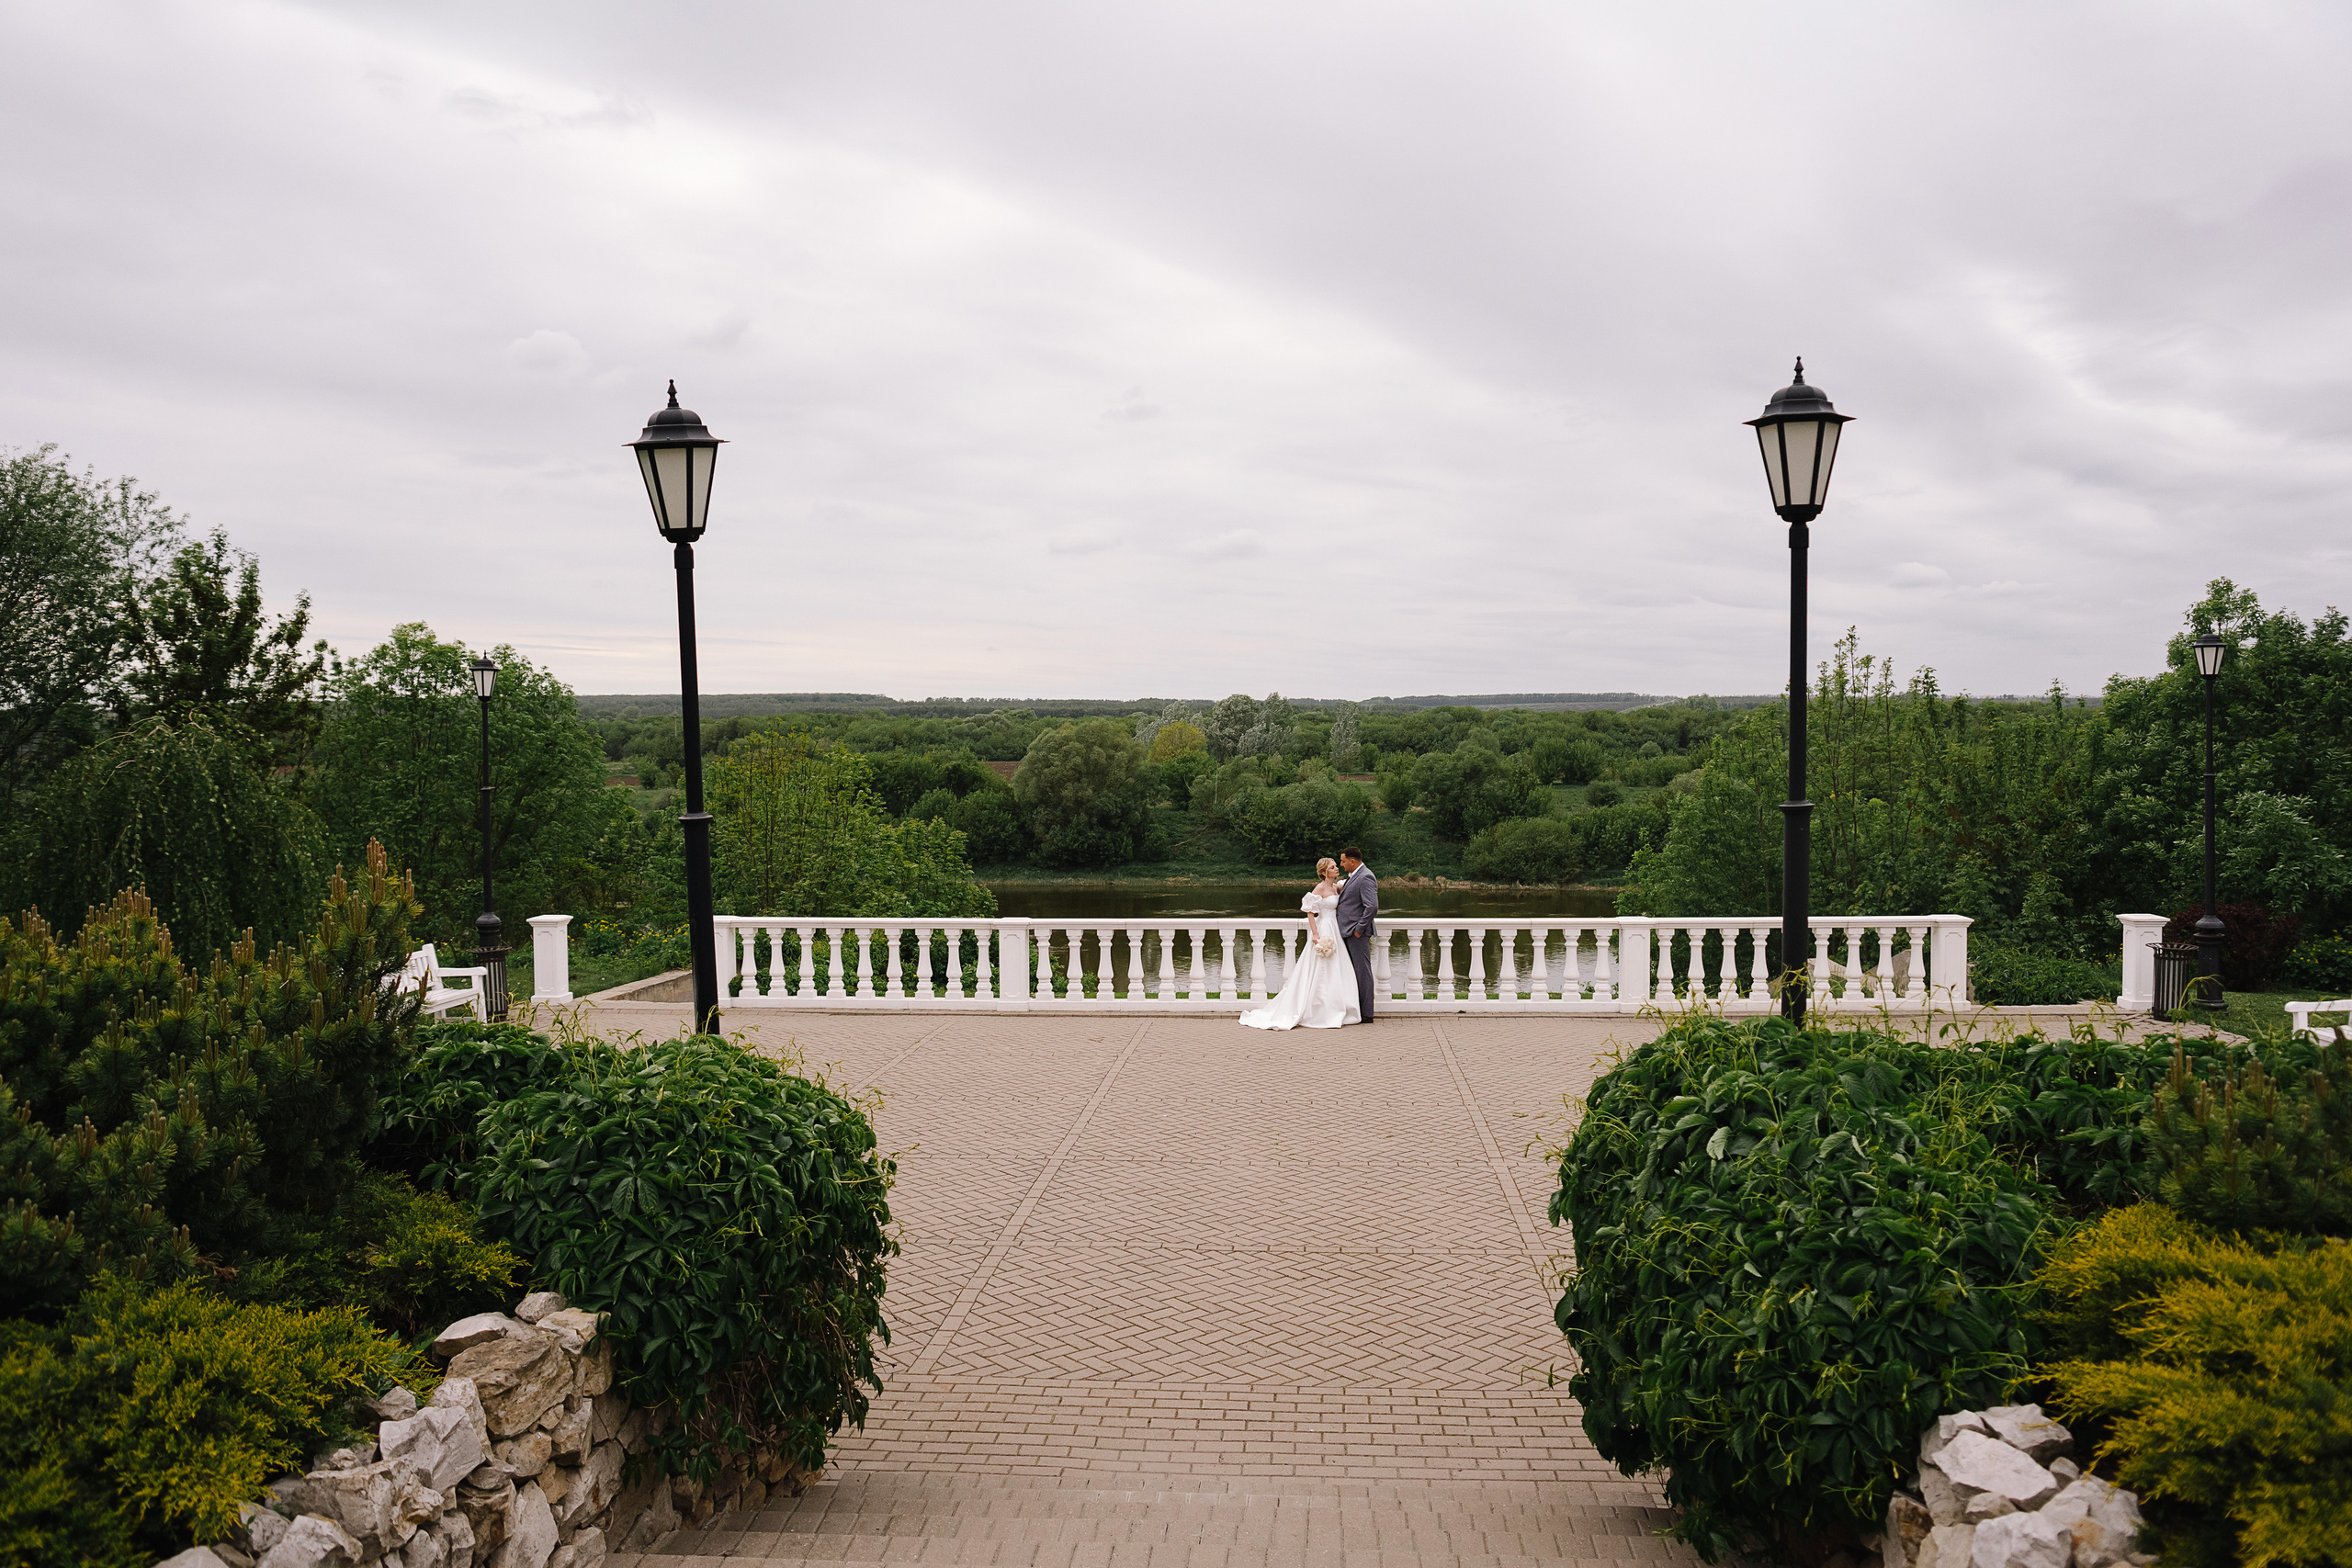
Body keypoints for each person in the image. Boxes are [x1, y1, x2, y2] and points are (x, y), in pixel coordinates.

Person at [1238, 857, 1362, 1030]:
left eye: (1336, 866)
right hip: (1325, 927)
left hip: (1336, 928)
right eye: (1333, 867)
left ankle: (1337, 1005)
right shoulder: (1320, 888)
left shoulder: (1336, 887)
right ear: (1324, 872)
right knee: (1322, 965)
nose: (1336, 869)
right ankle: (1318, 1008)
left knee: (1338, 965)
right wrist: (1315, 933)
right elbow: (1310, 911)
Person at [1335, 846, 1378, 1023]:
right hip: (1347, 931)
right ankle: (1357, 1009)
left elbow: (1372, 906)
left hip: (1356, 933)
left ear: (1353, 861)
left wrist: (1359, 930)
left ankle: (1367, 1013)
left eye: (1343, 861)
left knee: (1362, 972)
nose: (1341, 864)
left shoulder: (1366, 876)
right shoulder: (1355, 877)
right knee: (1352, 972)